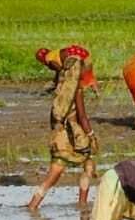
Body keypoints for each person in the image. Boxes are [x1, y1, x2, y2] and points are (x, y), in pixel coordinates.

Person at [27, 48, 98, 210]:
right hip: (73, 136)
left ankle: (35, 204)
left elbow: (55, 115)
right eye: (82, 68)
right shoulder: (76, 90)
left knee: (71, 168)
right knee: (79, 166)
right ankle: (81, 204)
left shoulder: (61, 87)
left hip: (60, 134)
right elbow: (83, 117)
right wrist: (92, 135)